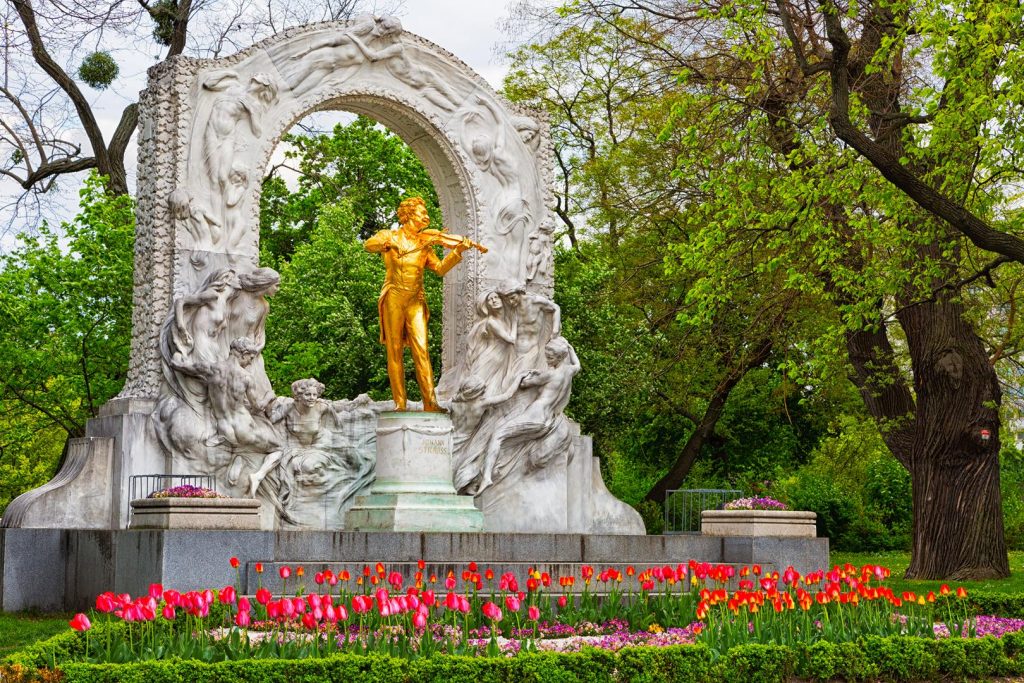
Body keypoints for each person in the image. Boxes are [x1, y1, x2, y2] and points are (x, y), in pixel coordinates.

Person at [364, 197, 473, 411]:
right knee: (394, 350)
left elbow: (440, 269)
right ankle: (399, 403)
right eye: (422, 213)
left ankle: (430, 403)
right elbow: (369, 245)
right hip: (394, 296)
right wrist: (386, 243)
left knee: (421, 349)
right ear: (408, 215)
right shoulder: (390, 235)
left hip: (415, 300)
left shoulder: (424, 244)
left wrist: (457, 252)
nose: (426, 216)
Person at [475, 337, 580, 494]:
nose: (547, 359)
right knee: (510, 439)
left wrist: (523, 374)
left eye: (550, 357)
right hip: (548, 420)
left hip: (535, 416)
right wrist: (570, 347)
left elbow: (524, 383)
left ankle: (487, 478)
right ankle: (498, 467)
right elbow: (577, 365)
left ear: (559, 357)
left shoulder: (549, 375)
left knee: (497, 435)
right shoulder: (568, 371)